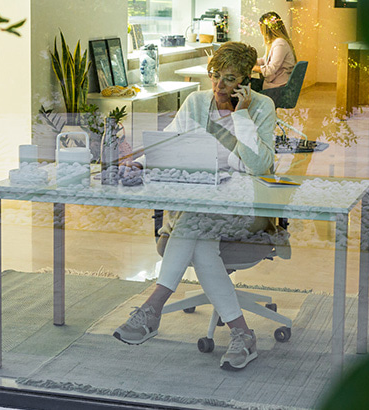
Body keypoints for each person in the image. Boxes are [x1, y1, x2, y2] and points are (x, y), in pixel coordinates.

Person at [113, 42, 277, 371]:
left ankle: (153, 308)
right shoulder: (196, 102)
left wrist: (241, 114)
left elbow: (259, 165)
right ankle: (243, 335)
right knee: (201, 240)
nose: (219, 85)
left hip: (245, 208)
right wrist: (140, 163)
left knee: (193, 226)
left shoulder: (261, 107)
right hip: (199, 202)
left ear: (246, 81)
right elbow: (168, 144)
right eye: (215, 75)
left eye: (229, 78)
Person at [252, 11, 296, 90]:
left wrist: (252, 67)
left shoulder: (280, 44)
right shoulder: (275, 42)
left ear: (266, 29)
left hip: (278, 87)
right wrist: (251, 61)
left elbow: (270, 70)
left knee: (245, 86)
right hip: (276, 83)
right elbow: (265, 60)